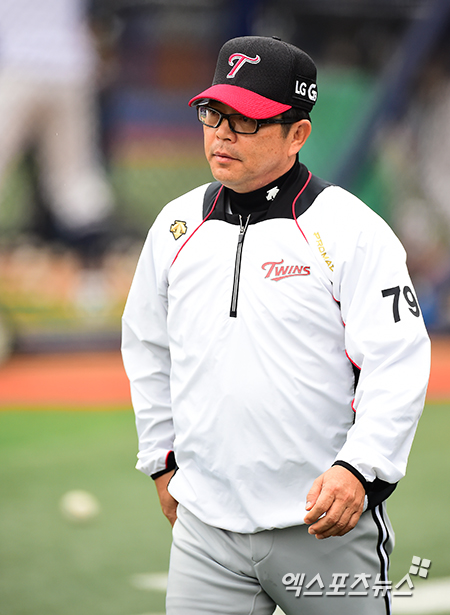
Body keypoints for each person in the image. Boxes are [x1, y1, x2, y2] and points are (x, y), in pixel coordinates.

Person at [121, 36, 430, 615]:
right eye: (213, 114)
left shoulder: (351, 229)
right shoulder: (174, 226)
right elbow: (147, 348)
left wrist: (360, 470)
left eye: (246, 120)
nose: (222, 134)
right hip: (205, 532)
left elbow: (397, 361)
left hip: (323, 526)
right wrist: (162, 463)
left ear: (297, 134)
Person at [0, 0, 114, 261]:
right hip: (71, 71)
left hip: (18, 68)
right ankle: (93, 270)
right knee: (74, 178)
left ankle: (92, 265)